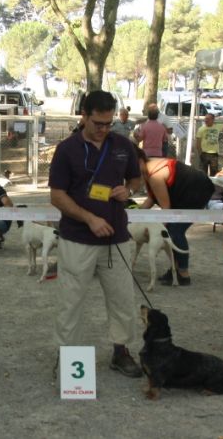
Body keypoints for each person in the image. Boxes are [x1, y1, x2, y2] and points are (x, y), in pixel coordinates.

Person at [50, 90, 144, 378]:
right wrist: (89, 219)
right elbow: (57, 196)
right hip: (77, 239)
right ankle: (67, 357)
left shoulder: (123, 145)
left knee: (122, 300)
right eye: (98, 123)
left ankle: (121, 351)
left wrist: (128, 191)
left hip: (116, 239)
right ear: (83, 116)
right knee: (71, 302)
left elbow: (137, 179)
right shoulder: (66, 150)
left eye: (109, 123)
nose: (104, 129)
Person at [137, 148, 215, 286]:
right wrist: (134, 217)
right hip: (189, 190)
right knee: (172, 230)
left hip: (197, 190)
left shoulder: (154, 175)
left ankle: (183, 274)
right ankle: (176, 269)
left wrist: (156, 228)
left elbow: (166, 209)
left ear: (140, 160)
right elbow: (151, 199)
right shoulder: (149, 169)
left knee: (174, 231)